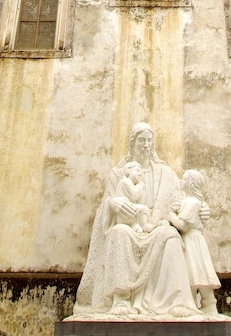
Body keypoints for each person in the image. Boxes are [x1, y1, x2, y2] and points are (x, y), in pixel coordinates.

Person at [74, 123, 199, 317]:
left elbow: (183, 200)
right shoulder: (118, 174)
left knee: (172, 237)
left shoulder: (164, 173)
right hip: (127, 224)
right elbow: (105, 208)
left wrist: (201, 208)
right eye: (141, 140)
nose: (146, 145)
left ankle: (177, 302)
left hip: (155, 225)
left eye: (149, 141)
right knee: (119, 233)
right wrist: (113, 203)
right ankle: (121, 299)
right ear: (132, 144)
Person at [169, 169, 221, 315]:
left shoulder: (191, 202)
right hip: (192, 239)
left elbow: (183, 225)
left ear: (191, 184)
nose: (181, 181)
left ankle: (208, 304)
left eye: (184, 179)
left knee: (196, 272)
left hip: (191, 240)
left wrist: (170, 215)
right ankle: (197, 303)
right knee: (193, 272)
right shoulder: (190, 201)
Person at [113, 162, 153, 233]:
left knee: (140, 209)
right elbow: (134, 195)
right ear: (128, 170)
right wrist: (140, 186)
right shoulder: (125, 181)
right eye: (137, 170)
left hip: (128, 213)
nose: (140, 174)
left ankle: (134, 225)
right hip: (124, 212)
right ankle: (144, 225)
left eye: (141, 173)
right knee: (143, 208)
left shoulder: (130, 183)